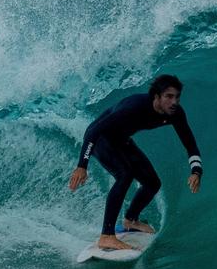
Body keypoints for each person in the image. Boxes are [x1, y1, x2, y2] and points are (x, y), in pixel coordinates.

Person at [68, 74, 202, 250]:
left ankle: (130, 220)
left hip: (121, 140)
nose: (174, 102)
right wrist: (82, 166)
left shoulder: (175, 114)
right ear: (156, 96)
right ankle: (106, 235)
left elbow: (190, 144)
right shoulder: (134, 108)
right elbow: (94, 130)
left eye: (177, 97)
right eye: (169, 96)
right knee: (125, 174)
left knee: (152, 183)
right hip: (100, 138)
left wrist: (196, 172)